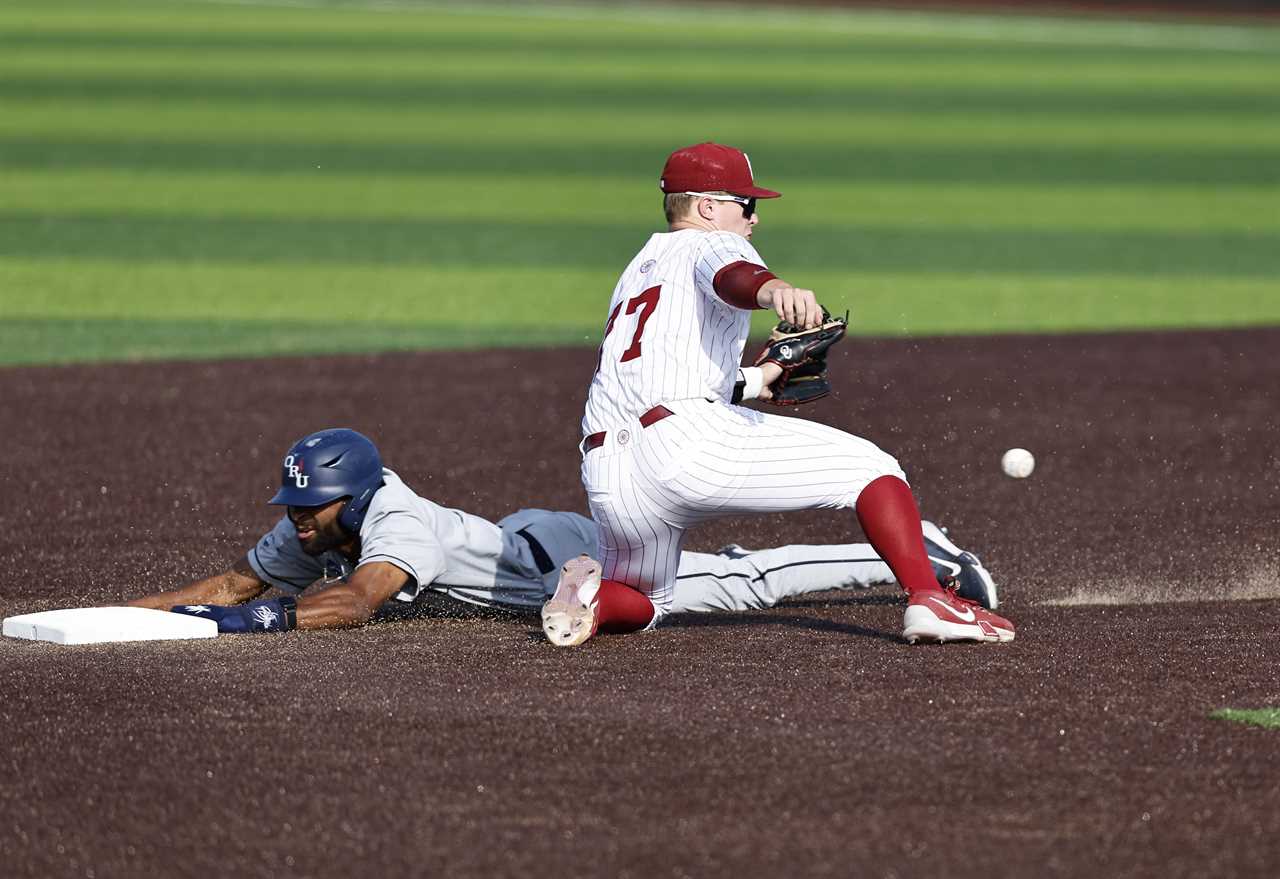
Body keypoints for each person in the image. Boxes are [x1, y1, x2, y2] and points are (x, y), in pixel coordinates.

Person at [542, 141, 1016, 647]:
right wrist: (773, 290)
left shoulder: (641, 268)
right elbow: (734, 276)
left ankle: (591, 603)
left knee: (648, 600)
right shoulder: (711, 243)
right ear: (707, 207)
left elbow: (665, 374)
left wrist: (760, 378)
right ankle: (930, 598)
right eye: (746, 204)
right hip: (686, 445)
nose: (753, 219)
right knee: (872, 470)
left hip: (609, 472)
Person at [124, 428, 997, 634]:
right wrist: (136, 613)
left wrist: (266, 622)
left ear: (347, 498)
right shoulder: (323, 526)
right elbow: (236, 581)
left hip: (562, 560)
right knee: (724, 579)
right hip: (535, 542)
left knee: (738, 581)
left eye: (303, 508)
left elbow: (356, 601)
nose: (292, 520)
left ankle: (938, 555)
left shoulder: (395, 521)